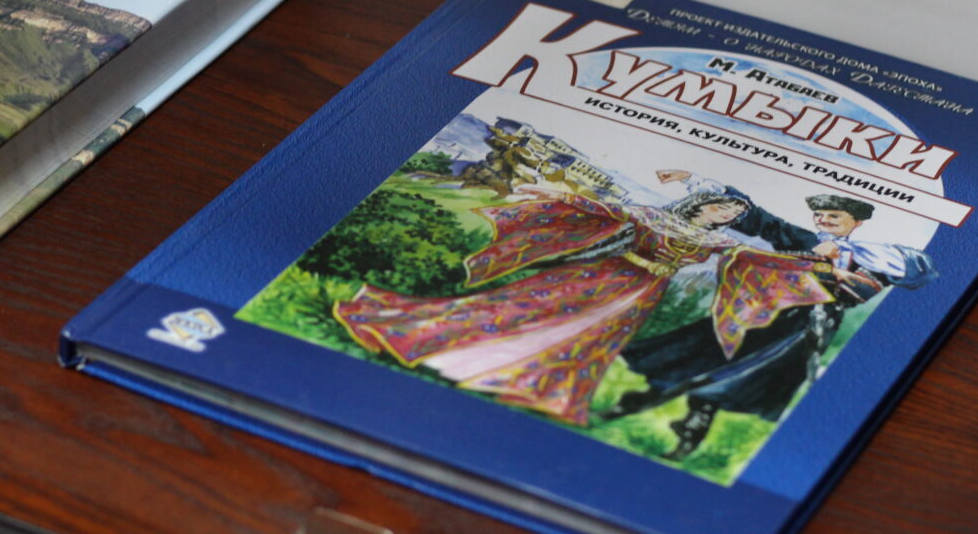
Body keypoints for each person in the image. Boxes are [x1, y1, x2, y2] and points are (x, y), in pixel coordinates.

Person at [332, 185, 835, 427]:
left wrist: (814, 260)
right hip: (603, 275)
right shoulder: (650, 215)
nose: (727, 214)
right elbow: (600, 208)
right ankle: (433, 338)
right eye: (723, 206)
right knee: (525, 308)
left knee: (591, 339)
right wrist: (550, 193)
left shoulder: (722, 242)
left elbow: (764, 259)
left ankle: (529, 383)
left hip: (643, 293)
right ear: (702, 203)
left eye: (735, 212)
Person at [605, 174, 936, 459]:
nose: (824, 221)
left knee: (735, 379)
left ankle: (689, 433)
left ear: (856, 223)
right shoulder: (807, 240)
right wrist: (701, 183)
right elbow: (763, 221)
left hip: (804, 328)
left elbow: (908, 276)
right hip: (760, 313)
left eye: (834, 216)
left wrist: (837, 258)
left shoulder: (881, 258)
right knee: (698, 354)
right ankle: (636, 402)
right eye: (820, 215)